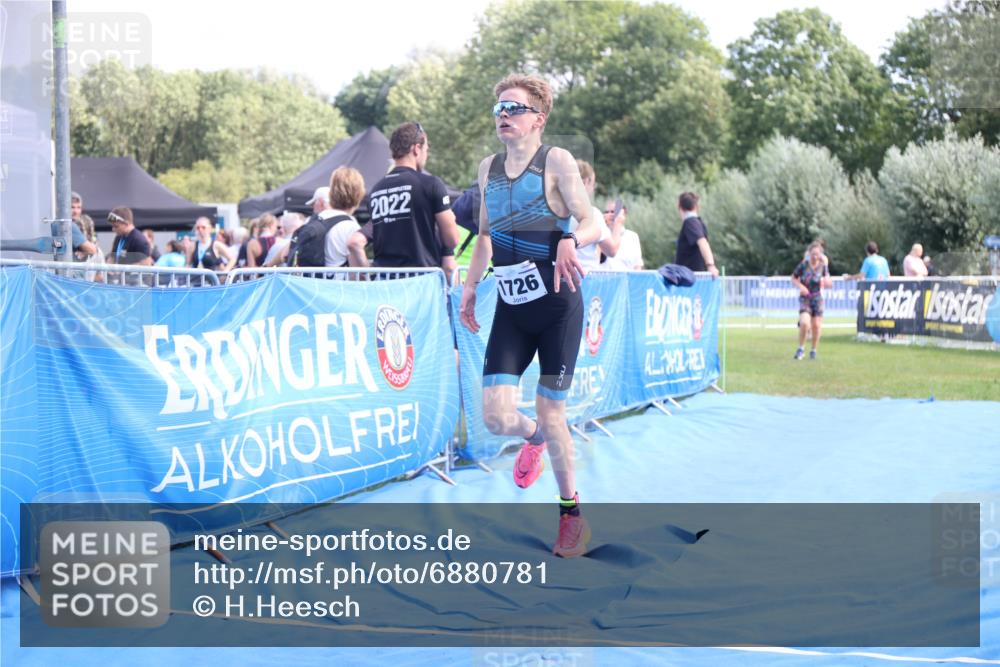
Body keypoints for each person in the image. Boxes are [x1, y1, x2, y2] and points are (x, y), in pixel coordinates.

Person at [458, 74, 599, 558]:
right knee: (496, 418)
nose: (503, 115)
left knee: (549, 407)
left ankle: (571, 515)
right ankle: (533, 438)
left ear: (538, 119)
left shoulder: (556, 161)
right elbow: (484, 237)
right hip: (513, 309)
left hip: (558, 305)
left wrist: (569, 239)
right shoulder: (486, 170)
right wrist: (471, 287)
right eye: (498, 108)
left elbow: (593, 220)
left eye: (514, 108)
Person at [347, 122, 460, 277]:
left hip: (385, 284)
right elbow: (452, 240)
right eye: (426, 150)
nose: (426, 156)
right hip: (420, 283)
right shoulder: (430, 184)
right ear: (416, 149)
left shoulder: (376, 191)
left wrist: (369, 275)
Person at [570, 160, 622, 272]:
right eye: (593, 184)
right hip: (585, 276)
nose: (593, 189)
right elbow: (611, 250)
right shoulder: (593, 213)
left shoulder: (556, 210)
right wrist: (618, 225)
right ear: (586, 182)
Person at [792, 241, 832, 360]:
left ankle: (813, 350)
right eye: (813, 254)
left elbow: (829, 282)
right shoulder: (803, 265)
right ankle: (801, 349)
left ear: (820, 255)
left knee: (816, 326)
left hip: (817, 298)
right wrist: (801, 286)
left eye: (817, 254)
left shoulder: (823, 266)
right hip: (805, 298)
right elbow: (793, 278)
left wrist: (826, 281)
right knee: (804, 323)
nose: (815, 256)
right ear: (809, 253)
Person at [324, 167, 366, 268]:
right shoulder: (350, 226)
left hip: (311, 282)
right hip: (337, 282)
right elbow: (356, 273)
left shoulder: (318, 217)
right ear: (359, 193)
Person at [674, 192, 719, 278]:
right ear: (697, 207)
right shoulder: (697, 222)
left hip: (690, 279)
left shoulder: (691, 222)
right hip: (691, 277)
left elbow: (702, 242)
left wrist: (711, 265)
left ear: (679, 207)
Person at [597, 199, 643, 271]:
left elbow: (637, 266)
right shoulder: (600, 234)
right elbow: (597, 259)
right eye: (606, 212)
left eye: (613, 212)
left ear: (623, 214)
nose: (610, 215)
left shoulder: (632, 237)